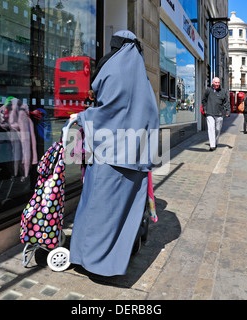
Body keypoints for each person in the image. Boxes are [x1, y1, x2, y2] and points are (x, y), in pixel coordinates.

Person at [68, 30, 159, 277]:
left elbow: (108, 111)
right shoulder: (142, 77)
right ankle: (114, 258)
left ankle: (90, 261)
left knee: (97, 210)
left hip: (108, 158)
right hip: (135, 158)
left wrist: (83, 116)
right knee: (123, 214)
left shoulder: (114, 69)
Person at [201, 77, 230, 151]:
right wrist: (205, 108)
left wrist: (227, 111)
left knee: (217, 129)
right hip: (209, 112)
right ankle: (212, 145)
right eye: (215, 82)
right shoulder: (208, 90)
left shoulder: (223, 91)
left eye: (218, 83)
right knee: (211, 128)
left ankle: (216, 142)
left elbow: (226, 102)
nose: (217, 84)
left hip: (219, 113)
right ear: (212, 83)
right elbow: (204, 100)